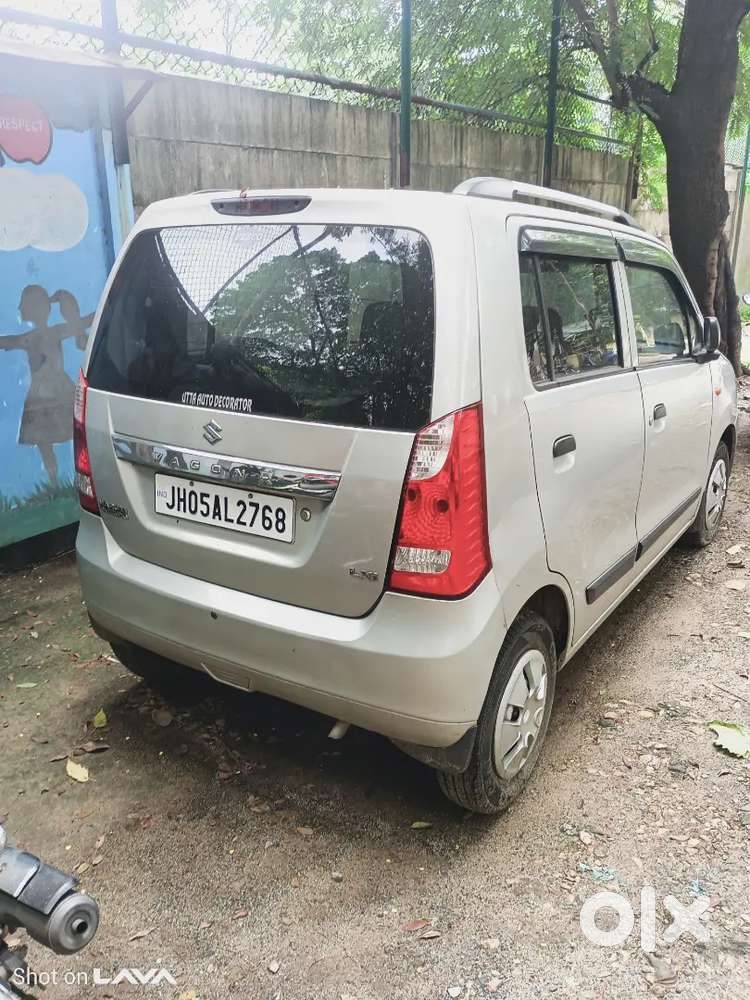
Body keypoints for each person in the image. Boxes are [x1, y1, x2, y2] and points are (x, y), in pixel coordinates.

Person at [0, 284, 93, 484]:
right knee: (64, 435)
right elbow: (85, 321)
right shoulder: (49, 334)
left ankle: (56, 481)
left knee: (48, 441)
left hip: (45, 394)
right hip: (54, 392)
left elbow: (7, 342)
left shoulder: (31, 338)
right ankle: (61, 480)